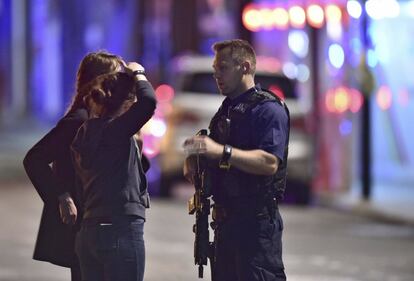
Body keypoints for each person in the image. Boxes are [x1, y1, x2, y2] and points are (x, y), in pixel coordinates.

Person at [183, 39, 290, 281]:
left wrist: (221, 151)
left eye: (223, 68)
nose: (216, 75)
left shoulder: (268, 109)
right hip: (225, 225)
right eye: (215, 69)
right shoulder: (228, 109)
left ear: (244, 67)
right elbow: (214, 153)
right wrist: (195, 159)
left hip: (254, 225)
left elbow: (269, 162)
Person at [23, 51, 124, 281]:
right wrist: (61, 195)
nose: (122, 85)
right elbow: (34, 158)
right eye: (117, 78)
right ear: (100, 82)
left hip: (102, 226)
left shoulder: (107, 122)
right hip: (85, 226)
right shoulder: (78, 121)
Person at [71, 65, 156, 281]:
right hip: (119, 231)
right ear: (128, 103)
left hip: (90, 232)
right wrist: (138, 73)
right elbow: (149, 103)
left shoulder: (86, 131)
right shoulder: (114, 131)